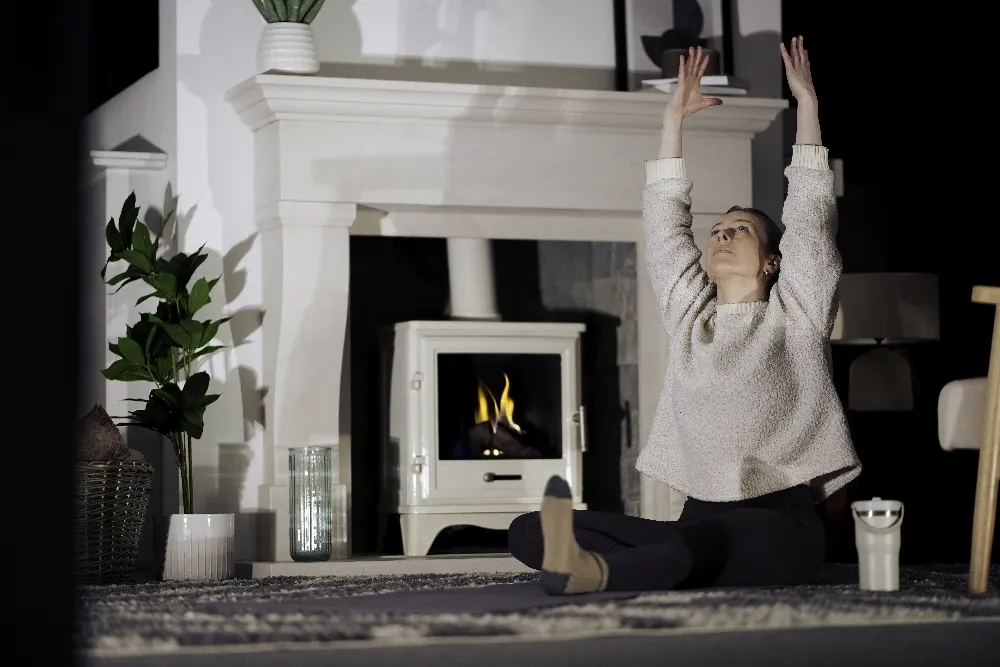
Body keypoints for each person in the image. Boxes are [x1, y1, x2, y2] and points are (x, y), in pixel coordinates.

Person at [508, 37, 861, 595]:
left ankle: (613, 572)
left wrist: (808, 107)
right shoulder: (691, 318)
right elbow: (666, 228)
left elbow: (811, 217)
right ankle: (641, 565)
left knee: (693, 550)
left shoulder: (799, 313)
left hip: (776, 524)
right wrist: (672, 120)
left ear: (773, 261)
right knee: (528, 529)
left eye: (739, 230)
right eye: (716, 230)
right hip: (696, 521)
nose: (721, 236)